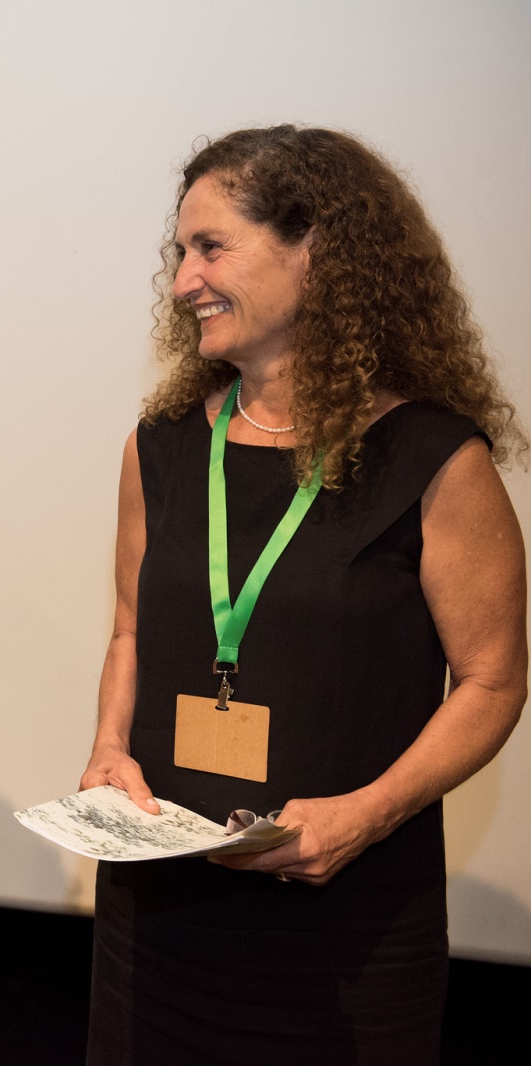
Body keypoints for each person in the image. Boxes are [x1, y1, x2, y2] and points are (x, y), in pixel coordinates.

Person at [78, 125, 528, 1063]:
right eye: (178, 252)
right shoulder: (158, 445)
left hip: (346, 926)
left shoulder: (434, 458)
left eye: (211, 248)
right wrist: (109, 749)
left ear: (315, 253)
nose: (181, 281)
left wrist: (366, 813)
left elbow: (491, 682)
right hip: (159, 912)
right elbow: (129, 631)